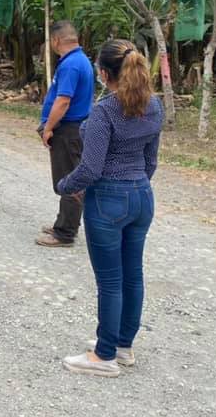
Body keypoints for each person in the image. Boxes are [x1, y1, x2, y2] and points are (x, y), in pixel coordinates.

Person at [56, 40, 163, 378]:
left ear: (104, 74)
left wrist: (64, 186)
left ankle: (103, 355)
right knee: (133, 275)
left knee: (110, 281)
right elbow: (151, 161)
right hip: (142, 196)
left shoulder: (104, 112)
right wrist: (134, 187)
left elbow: (90, 169)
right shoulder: (154, 105)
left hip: (108, 199)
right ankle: (122, 346)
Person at [35, 21, 95, 247]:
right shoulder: (80, 60)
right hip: (74, 128)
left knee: (69, 180)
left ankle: (65, 233)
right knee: (68, 177)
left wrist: (48, 127)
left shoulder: (70, 65)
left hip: (68, 130)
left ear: (56, 40)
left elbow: (63, 101)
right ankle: (65, 223)